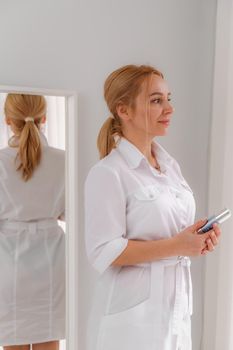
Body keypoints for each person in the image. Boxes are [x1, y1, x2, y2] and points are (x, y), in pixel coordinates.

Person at [84, 64, 221, 350]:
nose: (169, 109)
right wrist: (179, 246)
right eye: (156, 100)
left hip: (176, 309)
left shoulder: (170, 168)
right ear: (124, 110)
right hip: (132, 320)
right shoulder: (108, 173)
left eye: (169, 98)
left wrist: (196, 239)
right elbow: (103, 251)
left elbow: (172, 234)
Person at [0, 94, 65, 350]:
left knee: (12, 337)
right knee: (49, 337)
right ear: (44, 119)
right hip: (53, 259)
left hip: (8, 260)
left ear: (7, 120)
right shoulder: (62, 159)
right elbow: (69, 212)